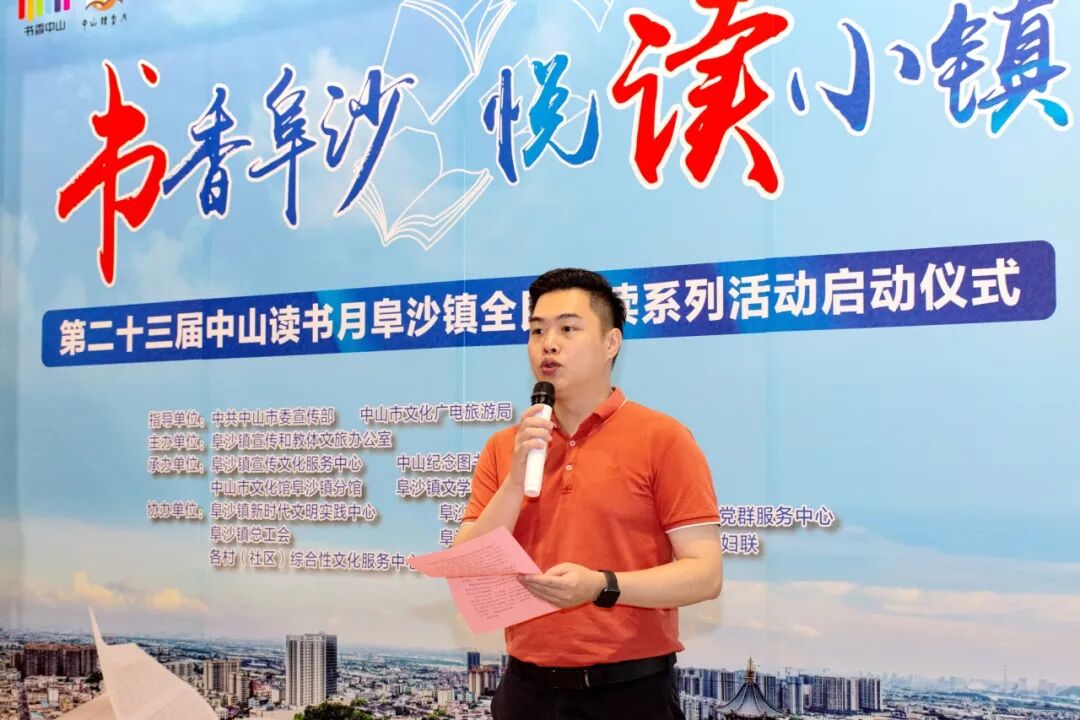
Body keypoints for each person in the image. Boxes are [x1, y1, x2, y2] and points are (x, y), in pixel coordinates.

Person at [457, 268, 723, 720]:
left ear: (611, 343)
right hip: (524, 690)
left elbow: (705, 574)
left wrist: (601, 586)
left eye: (568, 329)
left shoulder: (663, 438)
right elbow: (469, 565)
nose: (548, 344)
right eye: (537, 331)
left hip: (628, 693)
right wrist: (516, 480)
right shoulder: (506, 447)